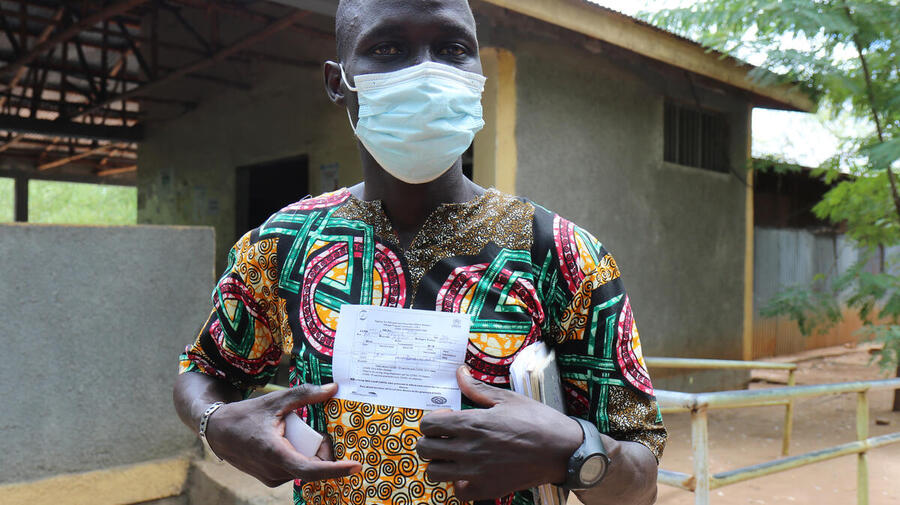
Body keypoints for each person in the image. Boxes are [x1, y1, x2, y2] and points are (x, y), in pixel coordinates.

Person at [173, 0, 667, 504]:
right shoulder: (284, 242)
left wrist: (575, 450)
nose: (427, 73)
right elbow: (205, 371)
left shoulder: (561, 254)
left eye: (452, 49)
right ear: (337, 82)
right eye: (388, 48)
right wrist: (217, 424)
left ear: (477, 75)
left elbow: (641, 482)